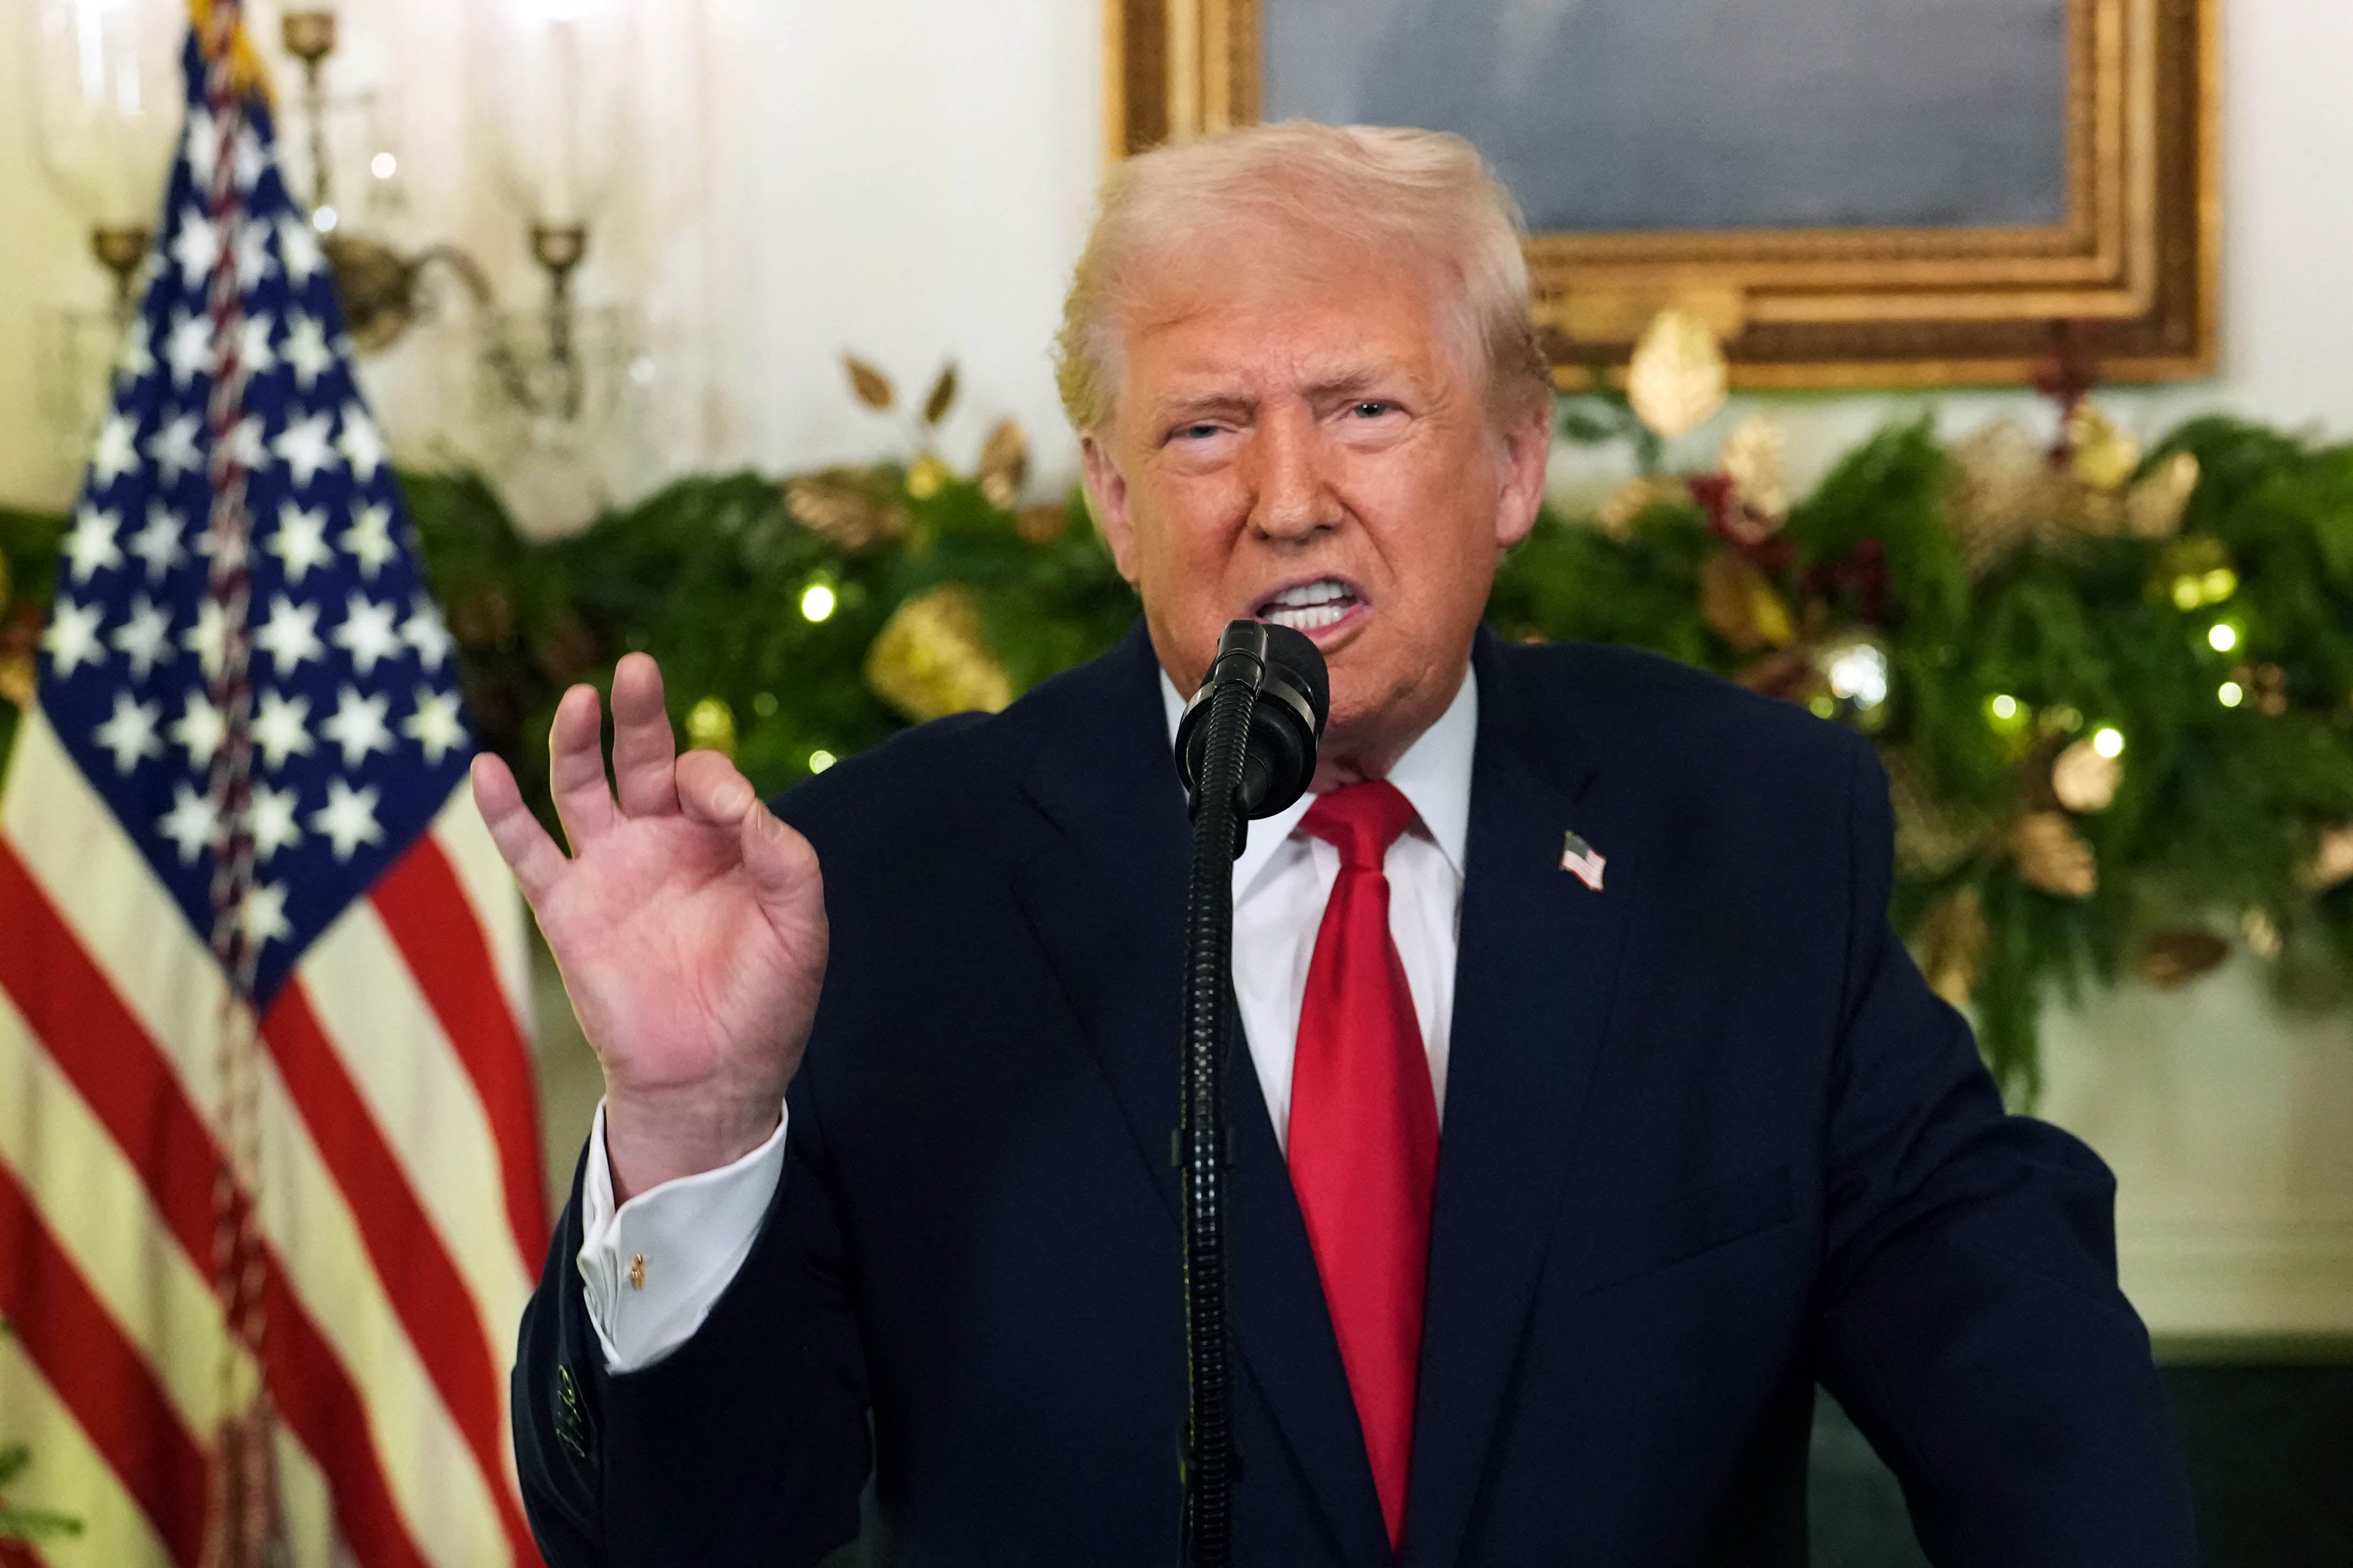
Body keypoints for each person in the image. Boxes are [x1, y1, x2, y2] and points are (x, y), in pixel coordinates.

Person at [480, 122, 2195, 1566]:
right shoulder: (887, 879)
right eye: (1204, 426)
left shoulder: (1739, 824)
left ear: (1515, 460)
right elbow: (682, 1534)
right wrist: (696, 1127)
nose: (1284, 495)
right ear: (1109, 495)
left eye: (1366, 410)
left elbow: (2011, 1351)